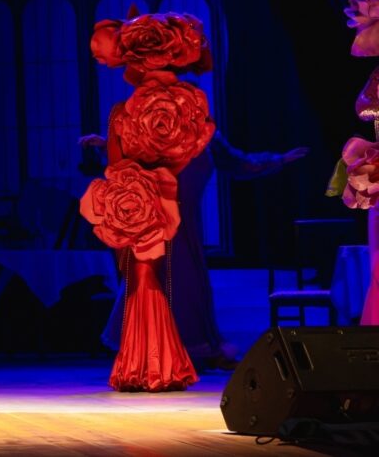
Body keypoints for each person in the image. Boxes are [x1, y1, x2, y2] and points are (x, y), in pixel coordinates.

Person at [80, 130, 307, 369]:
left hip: (186, 223)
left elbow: (238, 162)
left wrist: (279, 160)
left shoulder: (205, 133)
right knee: (161, 280)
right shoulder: (158, 130)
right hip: (159, 221)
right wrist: (108, 145)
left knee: (188, 285)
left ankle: (197, 349)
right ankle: (159, 352)